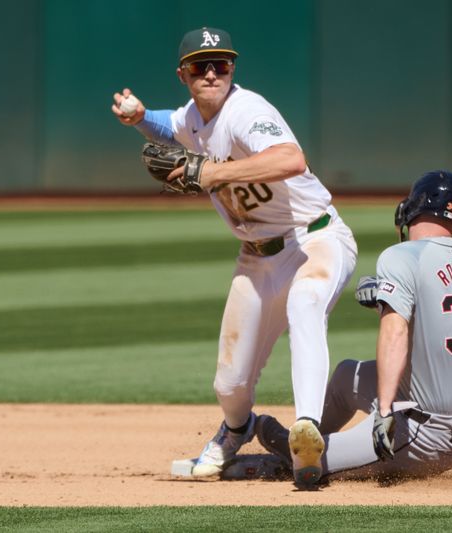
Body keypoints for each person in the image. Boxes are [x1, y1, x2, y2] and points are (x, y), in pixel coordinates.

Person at [111, 27, 357, 485]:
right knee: (230, 385)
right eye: (200, 66)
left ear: (232, 69)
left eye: (220, 64)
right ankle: (237, 429)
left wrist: (213, 172)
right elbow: (174, 125)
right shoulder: (194, 115)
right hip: (256, 258)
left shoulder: (247, 111)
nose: (211, 73)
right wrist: (142, 117)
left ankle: (307, 432)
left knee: (306, 305)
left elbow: (291, 159)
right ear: (183, 75)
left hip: (314, 240)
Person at [256, 170, 452, 484]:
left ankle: (295, 454)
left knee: (305, 463)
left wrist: (386, 411)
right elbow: (432, 315)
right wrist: (384, 296)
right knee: (346, 375)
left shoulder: (400, 255)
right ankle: (311, 435)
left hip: (422, 434)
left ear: (415, 206)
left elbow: (396, 331)